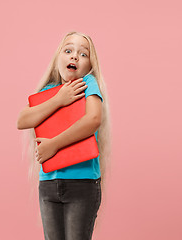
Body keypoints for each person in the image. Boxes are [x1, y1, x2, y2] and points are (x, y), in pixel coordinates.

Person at [17, 31, 111, 240]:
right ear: (57, 58)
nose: (75, 56)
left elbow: (93, 119)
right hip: (49, 185)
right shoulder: (50, 90)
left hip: (83, 183)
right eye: (68, 50)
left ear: (90, 65)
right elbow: (22, 120)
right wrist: (59, 99)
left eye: (83, 54)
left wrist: (54, 145)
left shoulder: (88, 84)